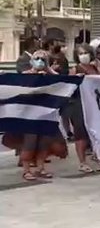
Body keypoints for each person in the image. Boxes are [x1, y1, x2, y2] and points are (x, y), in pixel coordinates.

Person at [16, 50, 65, 180]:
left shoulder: (49, 76)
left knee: (44, 142)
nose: (40, 61)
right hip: (30, 114)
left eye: (43, 59)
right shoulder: (25, 75)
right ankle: (26, 170)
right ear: (32, 60)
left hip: (46, 114)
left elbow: (62, 81)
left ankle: (40, 167)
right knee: (29, 142)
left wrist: (49, 70)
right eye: (37, 58)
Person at [67, 44, 100, 173]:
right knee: (81, 133)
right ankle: (82, 162)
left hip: (95, 103)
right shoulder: (75, 69)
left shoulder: (95, 68)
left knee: (99, 131)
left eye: (85, 53)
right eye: (80, 53)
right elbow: (69, 87)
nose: (83, 56)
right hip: (79, 104)